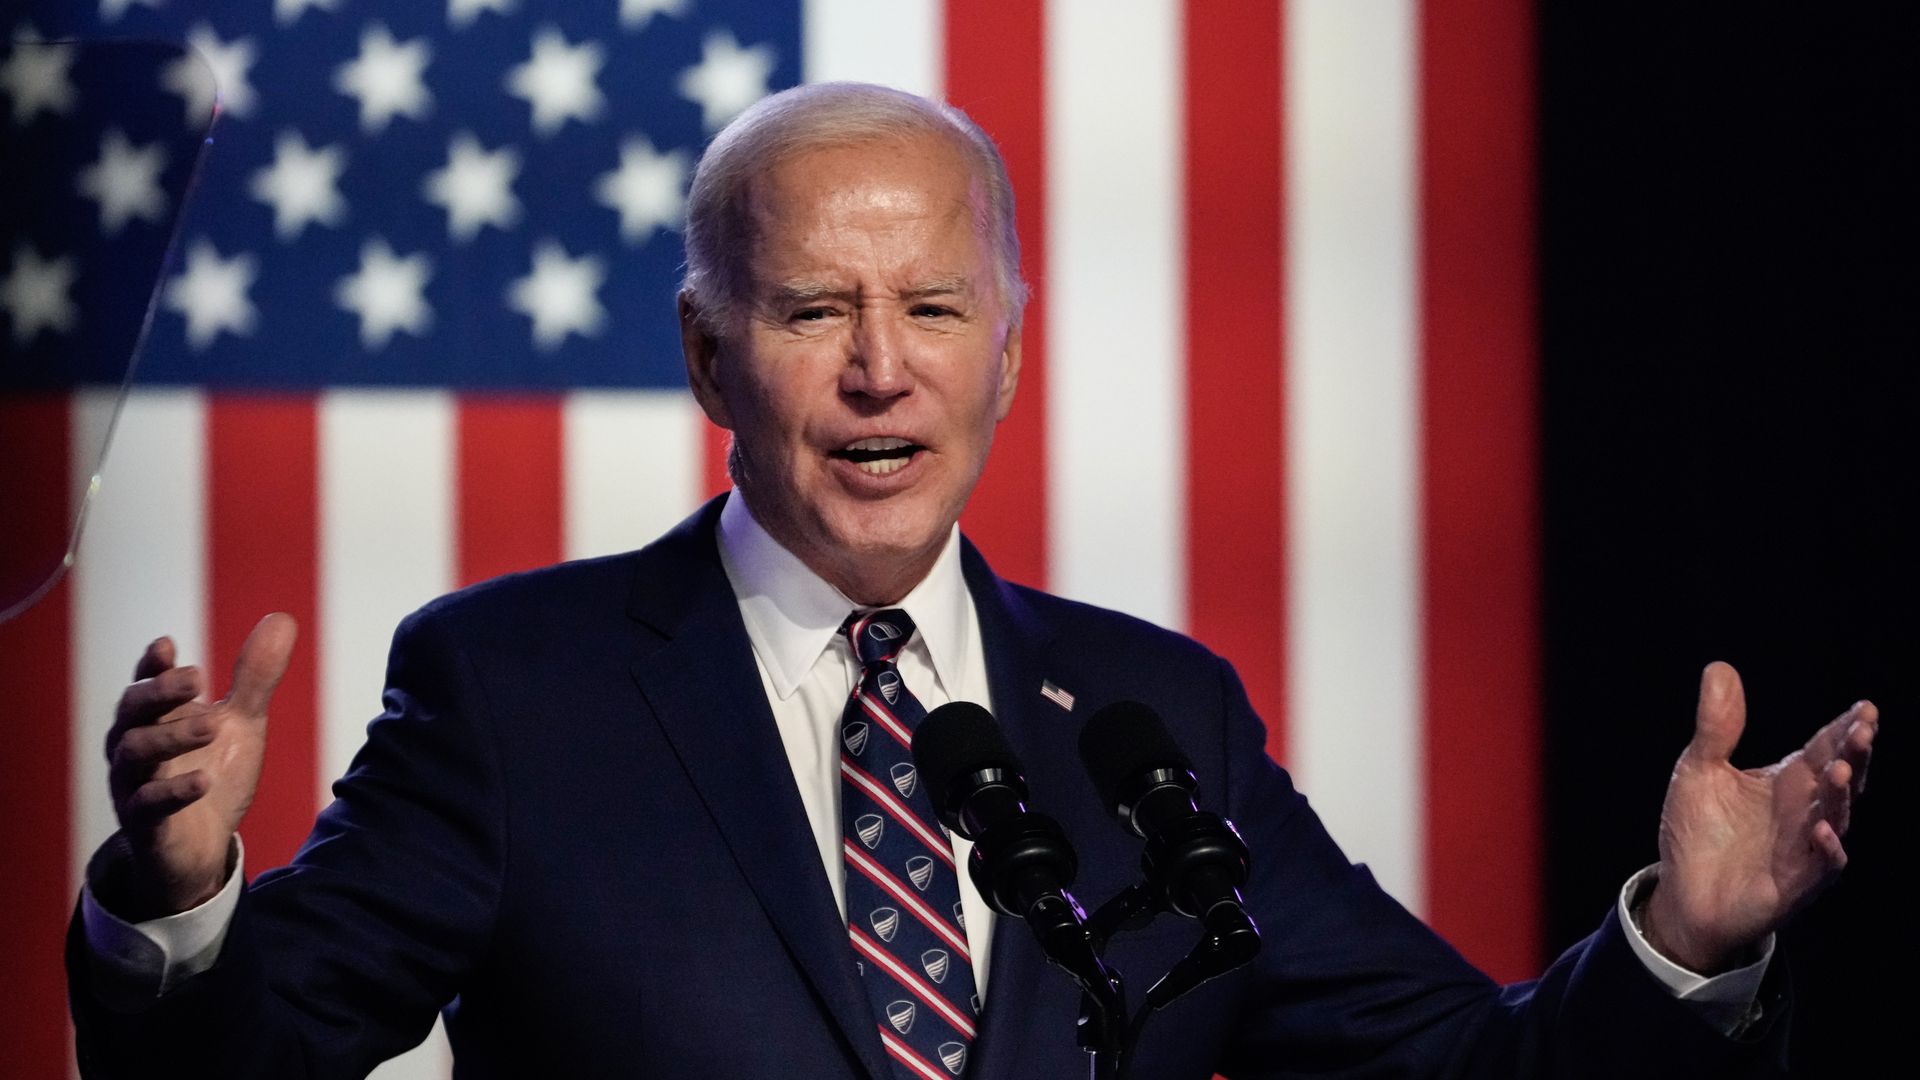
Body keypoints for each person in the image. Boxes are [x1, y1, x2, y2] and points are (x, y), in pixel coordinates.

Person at [70, 82, 1878, 1079]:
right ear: (711, 360)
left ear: (1007, 358)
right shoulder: (515, 686)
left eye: (935, 310)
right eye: (812, 313)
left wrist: (1681, 948)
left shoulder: (1157, 714)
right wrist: (186, 892)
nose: (882, 370)